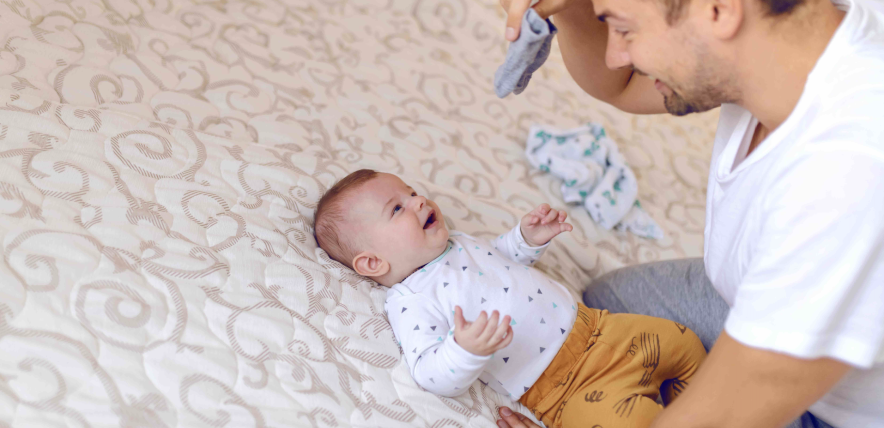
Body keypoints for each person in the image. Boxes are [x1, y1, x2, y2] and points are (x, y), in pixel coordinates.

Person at [493, 0, 884, 426]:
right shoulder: (799, 33)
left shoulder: (848, 172)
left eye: (625, 31)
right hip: (781, 295)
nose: (615, 53)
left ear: (719, 10)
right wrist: (571, 9)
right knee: (610, 308)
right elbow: (620, 84)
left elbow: (722, 416)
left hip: (843, 411)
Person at [313, 169, 708, 427]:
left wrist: (526, 239)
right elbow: (430, 372)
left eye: (412, 192)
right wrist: (463, 349)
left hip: (603, 330)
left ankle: (696, 409)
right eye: (397, 208)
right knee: (634, 422)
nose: (419, 201)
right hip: (565, 387)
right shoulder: (410, 300)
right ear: (372, 262)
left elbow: (503, 260)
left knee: (684, 342)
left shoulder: (457, 243)